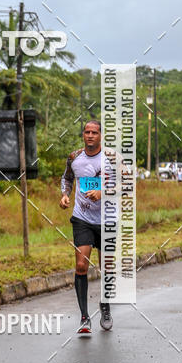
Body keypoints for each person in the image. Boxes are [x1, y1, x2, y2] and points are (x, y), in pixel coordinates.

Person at [59, 120, 113, 336]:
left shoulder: (112, 158)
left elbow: (126, 184)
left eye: (94, 132)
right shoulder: (74, 157)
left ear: (101, 135)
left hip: (108, 219)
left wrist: (103, 192)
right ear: (83, 135)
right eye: (87, 132)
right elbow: (67, 178)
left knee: (106, 267)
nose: (90, 135)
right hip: (82, 218)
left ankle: (105, 307)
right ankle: (84, 316)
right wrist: (65, 195)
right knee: (81, 265)